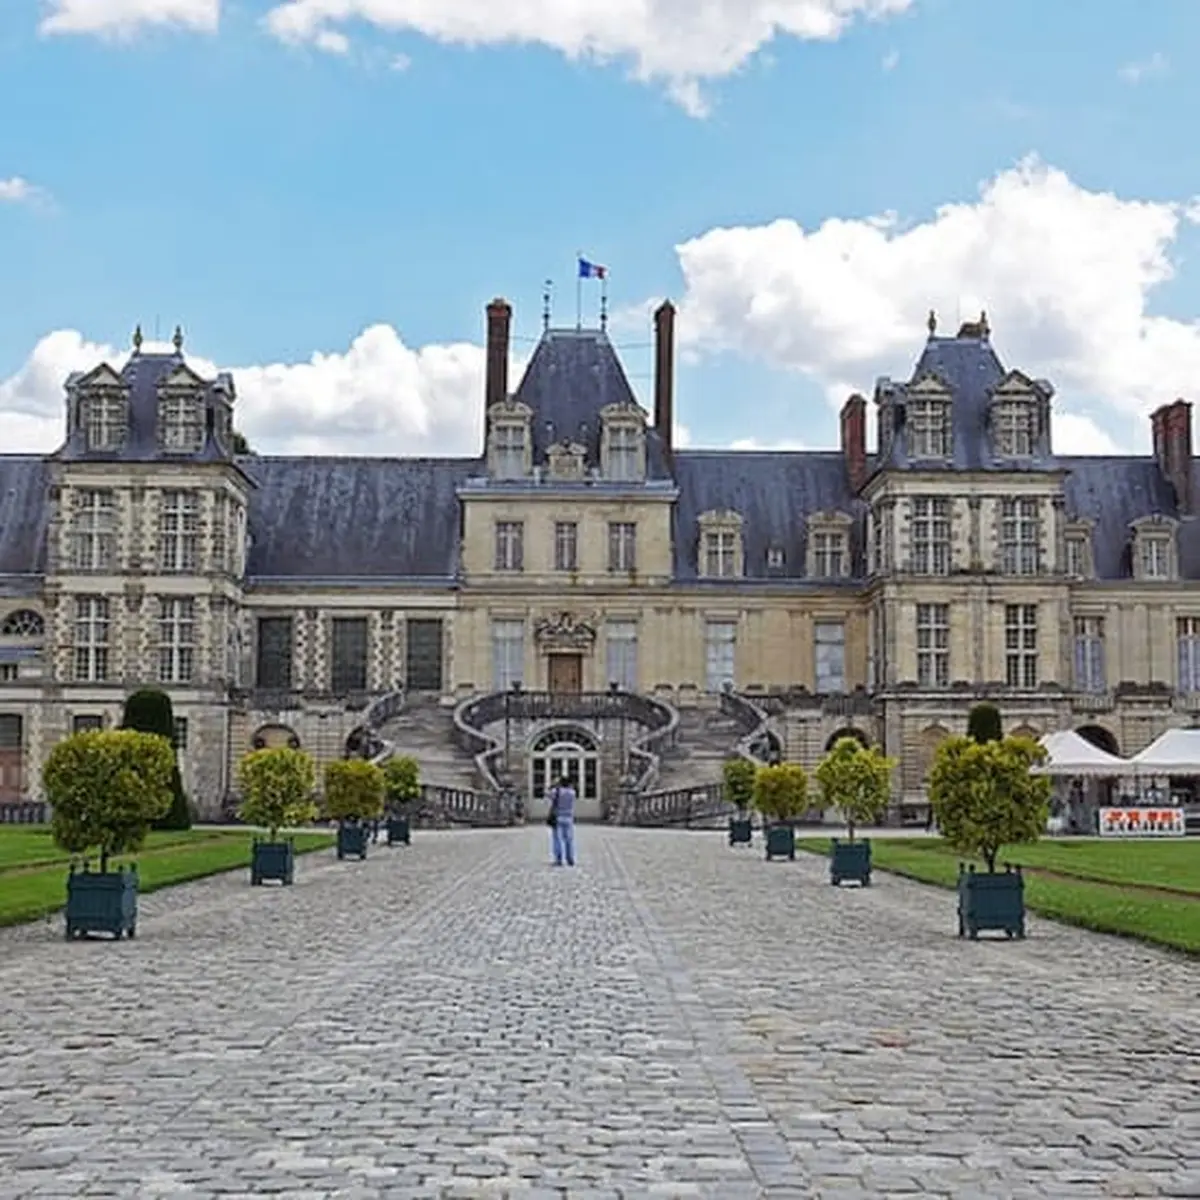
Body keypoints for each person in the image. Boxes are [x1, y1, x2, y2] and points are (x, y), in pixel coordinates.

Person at [547, 774, 577, 867]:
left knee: (557, 839)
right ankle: (570, 858)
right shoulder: (572, 792)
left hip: (558, 816)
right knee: (569, 839)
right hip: (569, 817)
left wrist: (553, 785)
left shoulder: (556, 791)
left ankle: (558, 859)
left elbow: (547, 794)